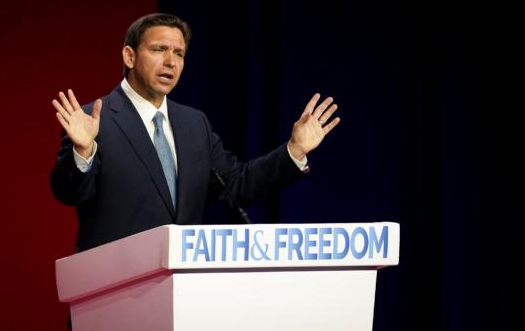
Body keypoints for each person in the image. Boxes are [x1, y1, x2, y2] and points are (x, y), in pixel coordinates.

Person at [50, 13, 340, 253]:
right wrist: (83, 152)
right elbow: (69, 192)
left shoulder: (193, 124)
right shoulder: (93, 119)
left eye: (179, 53)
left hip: (183, 294)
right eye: (158, 50)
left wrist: (294, 151)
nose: (171, 62)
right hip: (115, 294)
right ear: (129, 56)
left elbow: (236, 185)